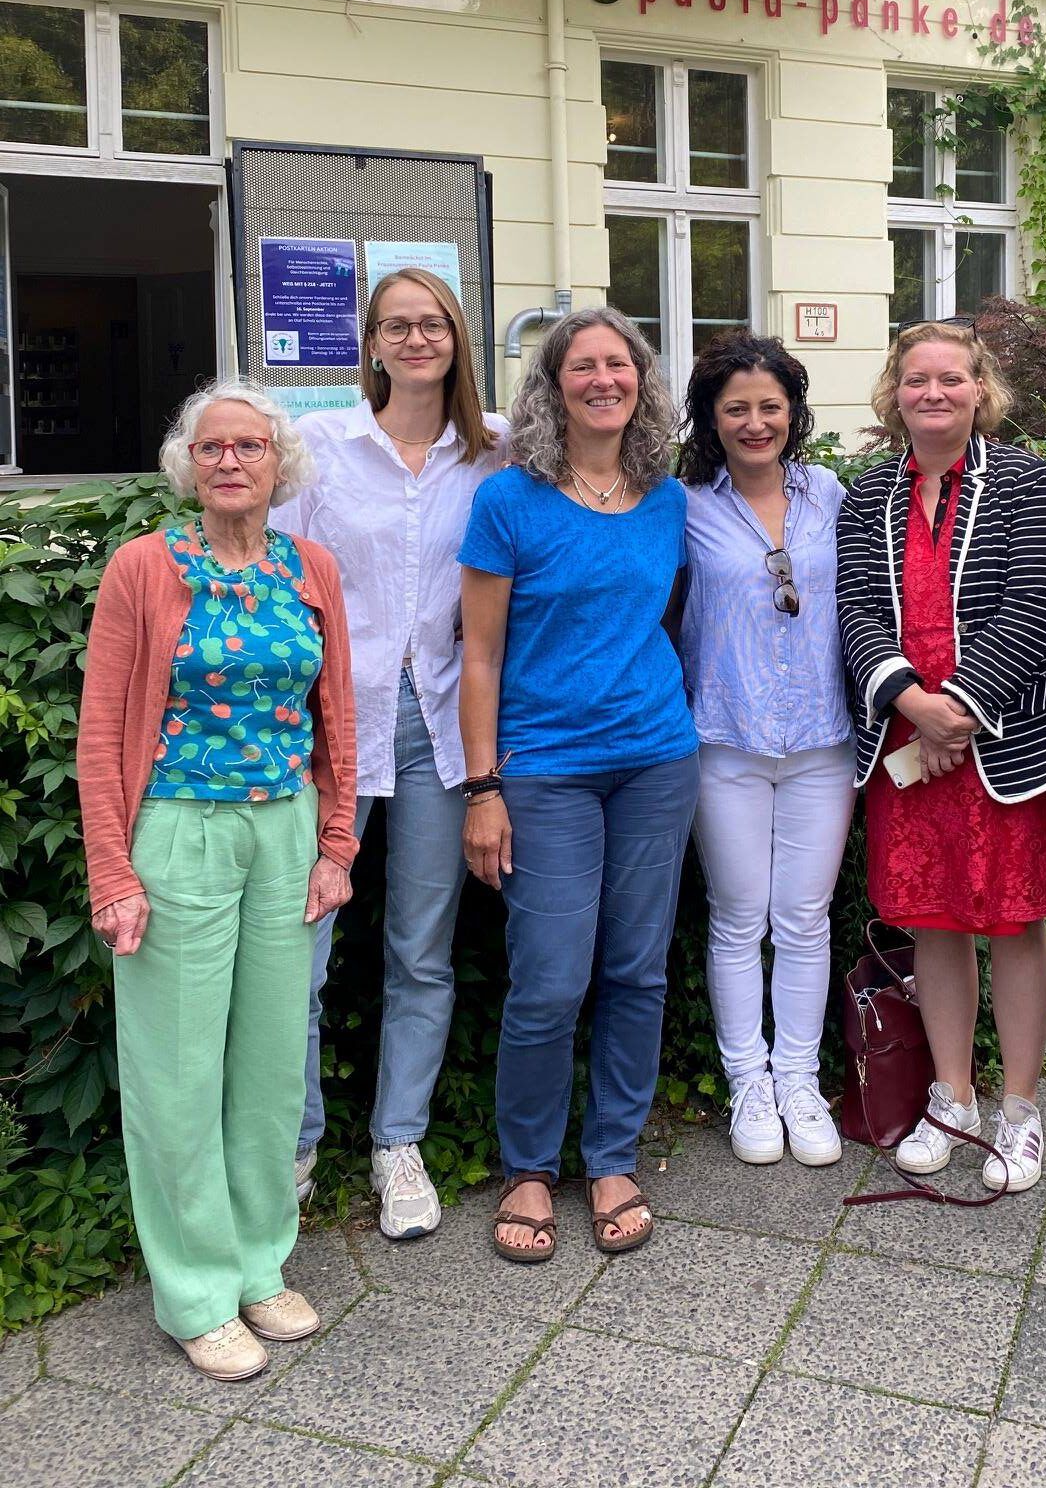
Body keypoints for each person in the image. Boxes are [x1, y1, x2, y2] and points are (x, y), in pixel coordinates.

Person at [79, 379, 357, 1381]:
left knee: (273, 1066)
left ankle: (257, 1264)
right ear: (188, 466)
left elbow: (338, 714)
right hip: (180, 833)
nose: (232, 461)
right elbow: (102, 732)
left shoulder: (311, 566)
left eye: (250, 446)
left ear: (280, 464)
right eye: (213, 448)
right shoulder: (143, 570)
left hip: (283, 832)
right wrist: (113, 870)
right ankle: (195, 1288)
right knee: (178, 1073)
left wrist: (337, 845)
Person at [457, 307, 699, 1264]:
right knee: (550, 980)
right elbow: (478, 656)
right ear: (553, 386)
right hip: (543, 770)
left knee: (637, 969)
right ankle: (527, 1167)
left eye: (620, 363)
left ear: (641, 378)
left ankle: (612, 1156)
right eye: (582, 366)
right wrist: (484, 788)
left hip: (655, 759)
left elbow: (663, 625)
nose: (604, 379)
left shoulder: (666, 496)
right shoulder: (508, 501)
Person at [270, 266, 507, 1239]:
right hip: (332, 728)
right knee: (301, 952)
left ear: (456, 338)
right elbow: (282, 586)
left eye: (433, 323)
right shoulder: (321, 449)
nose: (416, 339)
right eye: (396, 326)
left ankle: (397, 1144)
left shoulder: (489, 460)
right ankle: (291, 1145)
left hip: (442, 731)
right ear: (369, 344)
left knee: (421, 952)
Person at [836, 321, 1046, 1191]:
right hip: (906, 741)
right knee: (934, 923)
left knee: (1015, 923)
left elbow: (1038, 598)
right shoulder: (867, 494)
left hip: (1009, 745)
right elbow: (856, 609)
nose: (933, 393)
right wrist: (913, 703)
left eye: (951, 378)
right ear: (894, 392)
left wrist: (962, 712)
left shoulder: (1022, 482)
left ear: (980, 390)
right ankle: (952, 1098)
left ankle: (1020, 1110)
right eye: (917, 380)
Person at [677, 331, 853, 1167]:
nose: (755, 423)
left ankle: (799, 1080)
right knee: (740, 918)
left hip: (822, 739)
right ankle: (748, 1080)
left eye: (769, 407)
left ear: (794, 412)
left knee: (806, 920)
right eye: (737, 408)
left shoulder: (830, 495)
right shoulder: (685, 504)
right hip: (725, 738)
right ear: (713, 418)